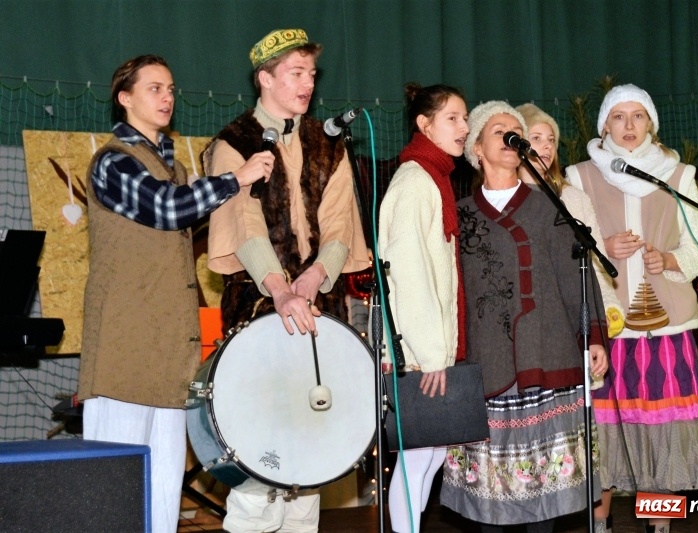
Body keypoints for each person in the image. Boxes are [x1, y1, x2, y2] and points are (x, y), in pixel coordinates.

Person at [78, 54, 271, 533]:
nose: (167, 97)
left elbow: (187, 209)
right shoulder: (113, 162)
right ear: (125, 99)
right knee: (113, 495)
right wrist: (236, 178)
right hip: (122, 357)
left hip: (168, 355)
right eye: (154, 89)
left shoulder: (174, 169)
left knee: (164, 493)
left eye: (170, 89)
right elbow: (169, 210)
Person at [202, 28, 370, 533]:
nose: (307, 84)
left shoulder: (328, 141)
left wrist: (316, 276)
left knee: (309, 460)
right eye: (295, 73)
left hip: (319, 306)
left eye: (311, 74)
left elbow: (340, 221)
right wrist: (279, 288)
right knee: (261, 461)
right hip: (258, 308)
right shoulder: (234, 143)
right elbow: (244, 222)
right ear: (265, 78)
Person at [439, 101, 609, 533]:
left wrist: (592, 336)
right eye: (500, 130)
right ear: (476, 147)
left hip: (548, 356)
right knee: (492, 499)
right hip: (486, 363)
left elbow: (577, 279)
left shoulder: (548, 207)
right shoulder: (458, 215)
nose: (511, 137)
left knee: (544, 499)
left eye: (517, 131)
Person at [564, 84, 698, 533]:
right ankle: (600, 525)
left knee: (664, 432)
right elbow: (567, 247)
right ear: (604, 125)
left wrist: (671, 259)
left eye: (638, 116)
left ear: (651, 123)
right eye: (619, 117)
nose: (629, 126)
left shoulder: (677, 174)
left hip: (665, 327)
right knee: (606, 432)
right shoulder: (580, 176)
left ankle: (660, 526)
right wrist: (604, 248)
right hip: (609, 325)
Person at [378, 82, 469, 533]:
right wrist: (433, 354)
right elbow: (409, 273)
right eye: (453, 117)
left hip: (430, 350)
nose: (464, 127)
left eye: (465, 118)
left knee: (429, 458)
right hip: (418, 353)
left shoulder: (435, 176)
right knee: (416, 462)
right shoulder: (416, 179)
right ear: (424, 124)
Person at [515, 103, 624, 340]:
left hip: (572, 317)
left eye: (551, 139)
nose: (546, 145)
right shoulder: (506, 199)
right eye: (536, 137)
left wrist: (608, 307)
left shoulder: (574, 198)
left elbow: (596, 261)